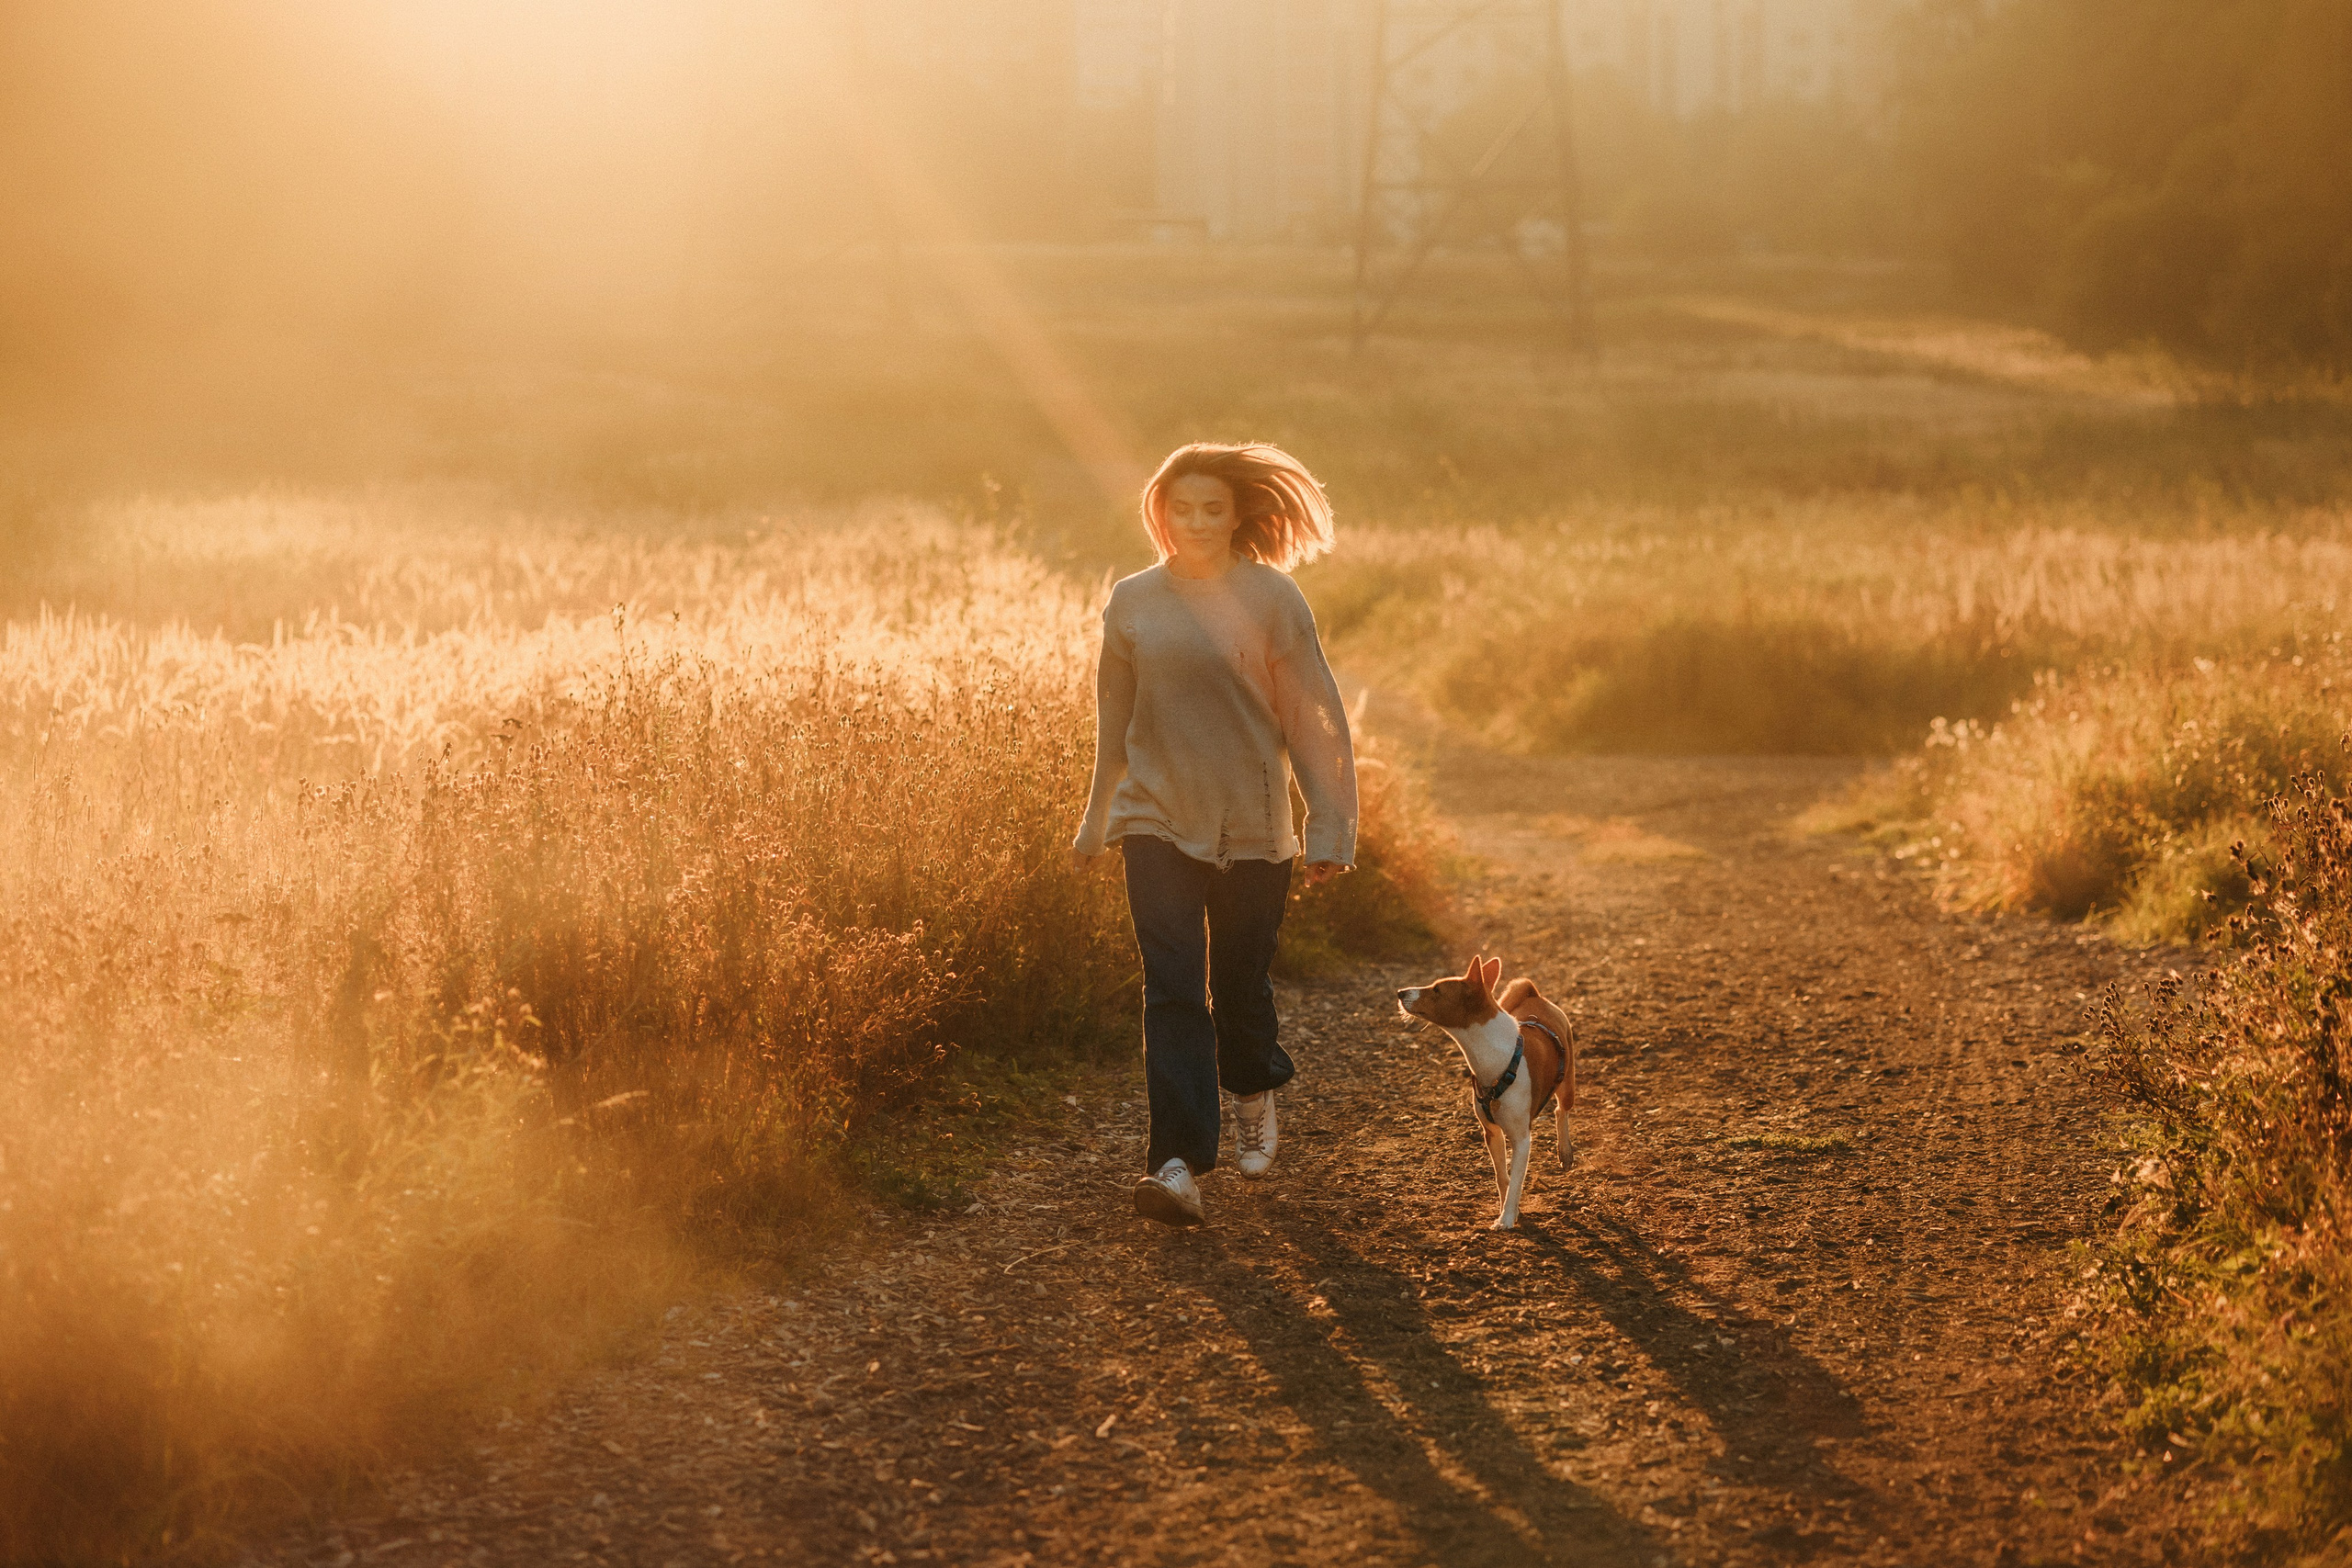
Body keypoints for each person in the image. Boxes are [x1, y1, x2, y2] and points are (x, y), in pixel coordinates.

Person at [1069, 442, 1359, 1227]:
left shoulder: (1272, 597)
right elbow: (1112, 723)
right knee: (1171, 987)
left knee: (1239, 982)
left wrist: (1330, 826)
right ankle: (1177, 1163)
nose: (1195, 522)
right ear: (1159, 514)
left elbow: (1313, 714)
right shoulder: (1133, 600)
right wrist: (1096, 820)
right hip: (1154, 817)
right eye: (1182, 508)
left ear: (1237, 517)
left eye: (1212, 509)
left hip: (1253, 821)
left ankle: (1253, 1085)